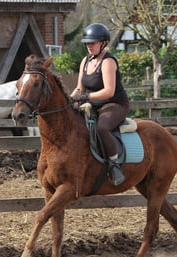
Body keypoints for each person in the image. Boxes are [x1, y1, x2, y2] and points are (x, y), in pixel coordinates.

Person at [70, 23, 130, 186]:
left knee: (102, 128)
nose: (89, 46)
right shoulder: (85, 61)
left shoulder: (108, 61)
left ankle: (114, 165)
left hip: (115, 104)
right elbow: (79, 88)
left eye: (93, 43)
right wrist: (70, 99)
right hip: (94, 104)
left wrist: (86, 96)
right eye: (87, 43)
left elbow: (109, 92)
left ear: (103, 43)